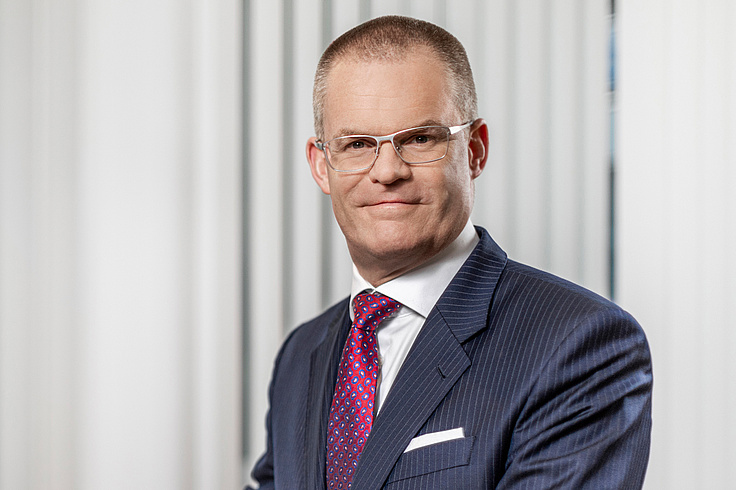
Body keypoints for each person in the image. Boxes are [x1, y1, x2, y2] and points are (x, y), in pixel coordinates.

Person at [247, 15, 652, 490]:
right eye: (357, 144)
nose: (387, 171)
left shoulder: (580, 343)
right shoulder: (301, 354)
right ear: (322, 165)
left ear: (475, 149)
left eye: (420, 139)